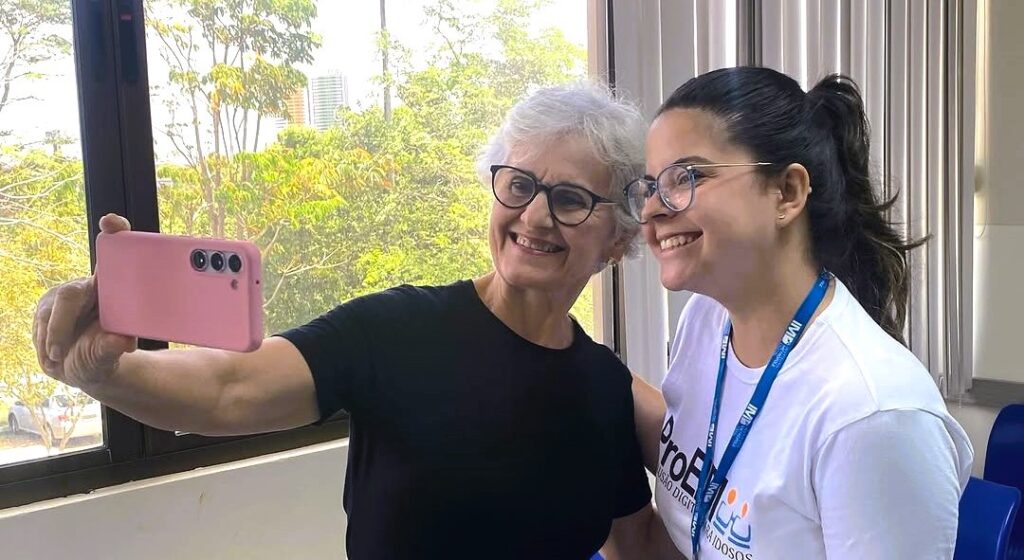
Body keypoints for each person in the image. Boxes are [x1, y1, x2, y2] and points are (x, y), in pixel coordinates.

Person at [33, 83, 655, 560]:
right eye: (518, 185)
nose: (536, 216)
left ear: (619, 238)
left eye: (571, 199)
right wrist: (105, 372)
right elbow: (228, 388)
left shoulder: (605, 387)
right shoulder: (400, 330)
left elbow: (637, 544)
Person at [616, 67, 974, 559]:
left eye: (688, 177)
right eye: (651, 186)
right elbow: (716, 470)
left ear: (786, 192)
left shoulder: (873, 416)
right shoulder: (705, 320)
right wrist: (574, 370)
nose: (653, 209)